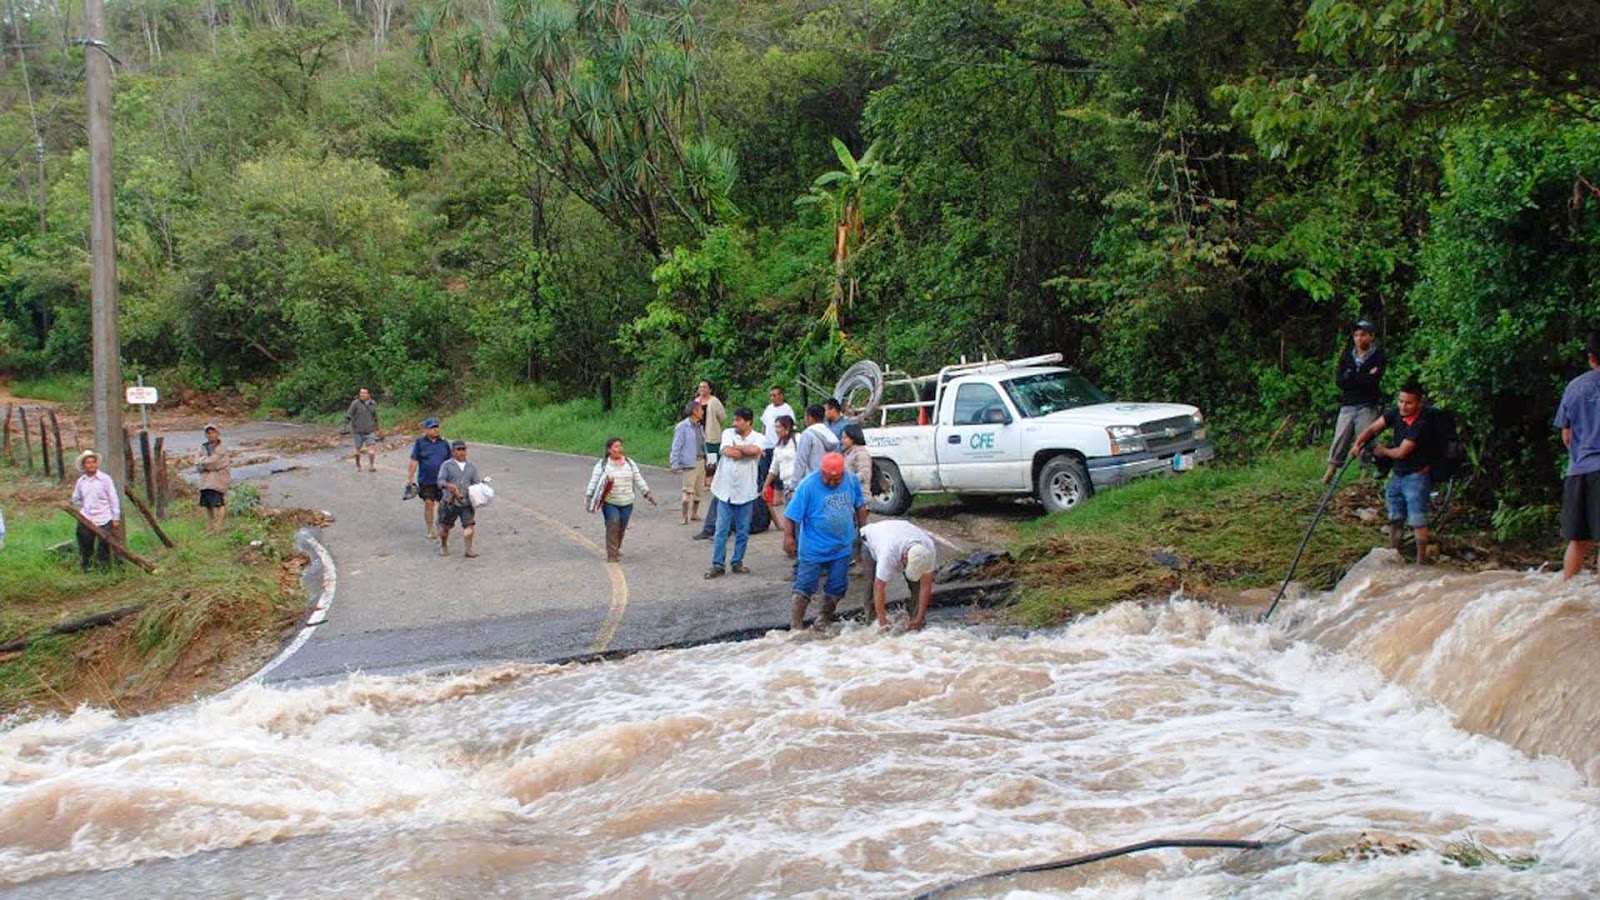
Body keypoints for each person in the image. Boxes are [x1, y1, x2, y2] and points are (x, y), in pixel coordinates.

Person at [1350, 380, 1434, 564]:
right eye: (1401, 401)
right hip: (1398, 473)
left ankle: (1421, 562)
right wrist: (1358, 444)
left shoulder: (1420, 424)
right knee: (1395, 516)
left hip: (1416, 475)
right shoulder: (1396, 413)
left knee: (1417, 518)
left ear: (1418, 403)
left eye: (1409, 403)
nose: (1403, 406)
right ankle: (1395, 554)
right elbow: (1373, 428)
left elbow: (1402, 451)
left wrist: (1383, 451)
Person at [784, 452, 868, 629]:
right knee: (804, 588)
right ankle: (796, 625)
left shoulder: (851, 480)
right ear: (821, 472)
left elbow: (860, 505)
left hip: (841, 547)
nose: (832, 483)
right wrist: (789, 537)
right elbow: (791, 515)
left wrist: (864, 531)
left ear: (843, 474)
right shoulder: (808, 485)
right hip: (813, 548)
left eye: (836, 480)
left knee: (837, 587)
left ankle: (822, 619)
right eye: (828, 479)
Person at [1555, 330, 1600, 580]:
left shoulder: (1574, 387)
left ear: (1591, 356)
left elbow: (1567, 436)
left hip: (1578, 469)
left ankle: (1564, 595)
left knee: (1577, 540)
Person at [1325, 320, 1387, 484]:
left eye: (1363, 335)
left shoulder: (1378, 355)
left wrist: (1354, 376)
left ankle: (1364, 473)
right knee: (1341, 436)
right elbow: (1340, 381)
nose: (1359, 339)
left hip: (1368, 403)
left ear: (1371, 336)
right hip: (1348, 403)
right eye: (1357, 335)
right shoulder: (1347, 355)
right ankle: (1331, 470)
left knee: (1366, 437)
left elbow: (1374, 380)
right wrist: (1361, 376)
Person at [705, 407, 764, 578]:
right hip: (725, 490)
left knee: (743, 530)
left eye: (738, 420)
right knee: (721, 530)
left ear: (748, 422)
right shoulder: (728, 433)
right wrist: (745, 450)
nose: (734, 423)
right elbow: (727, 452)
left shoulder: (759, 437)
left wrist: (740, 448)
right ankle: (718, 564)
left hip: (746, 491)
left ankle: (737, 562)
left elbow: (755, 450)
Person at [587, 437, 657, 562]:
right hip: (610, 502)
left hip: (627, 501)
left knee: (621, 526)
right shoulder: (602, 465)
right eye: (616, 446)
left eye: (620, 446)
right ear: (609, 450)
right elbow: (594, 481)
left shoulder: (630, 463)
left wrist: (647, 493)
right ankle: (612, 554)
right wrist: (589, 496)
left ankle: (616, 548)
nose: (620, 449)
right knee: (613, 523)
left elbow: (638, 478)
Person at [859, 520, 937, 630]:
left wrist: (920, 617)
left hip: (901, 531)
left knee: (917, 584)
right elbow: (879, 588)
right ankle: (873, 621)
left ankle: (915, 621)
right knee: (871, 585)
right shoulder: (888, 553)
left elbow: (926, 586)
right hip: (870, 539)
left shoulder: (928, 550)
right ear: (904, 557)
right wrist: (883, 622)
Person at [70, 449, 120, 572]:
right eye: (88, 462)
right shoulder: (81, 481)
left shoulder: (105, 479)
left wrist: (116, 518)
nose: (91, 465)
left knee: (104, 548)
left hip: (104, 518)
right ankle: (86, 569)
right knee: (85, 546)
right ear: (84, 466)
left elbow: (113, 498)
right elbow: (76, 498)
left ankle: (104, 571)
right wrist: (86, 505)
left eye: (93, 462)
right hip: (86, 518)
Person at [437, 440, 483, 558]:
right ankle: (444, 545)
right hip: (449, 501)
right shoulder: (446, 465)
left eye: (463, 449)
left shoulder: (471, 467)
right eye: (459, 450)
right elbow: (440, 481)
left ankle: (468, 549)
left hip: (466, 502)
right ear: (453, 452)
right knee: (444, 527)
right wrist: (448, 486)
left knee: (469, 525)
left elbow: (476, 483)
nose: (462, 452)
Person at [408, 418, 452, 541]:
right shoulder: (420, 443)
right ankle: (430, 528)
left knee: (444, 504)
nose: (435, 430)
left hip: (443, 480)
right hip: (426, 480)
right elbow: (414, 460)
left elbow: (450, 462)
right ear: (426, 430)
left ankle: (441, 524)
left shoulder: (443, 443)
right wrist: (410, 478)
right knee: (429, 503)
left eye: (436, 427)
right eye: (432, 428)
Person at [840, 423, 874, 567]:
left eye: (844, 437)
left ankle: (862, 561)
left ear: (853, 438)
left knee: (859, 532)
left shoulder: (861, 453)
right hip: (849, 498)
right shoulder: (848, 453)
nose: (842, 440)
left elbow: (865, 474)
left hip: (861, 498)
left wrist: (845, 480)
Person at [669, 401, 708, 525]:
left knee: (699, 490)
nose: (702, 412)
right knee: (687, 490)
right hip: (690, 462)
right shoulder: (682, 426)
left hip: (701, 460)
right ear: (695, 411)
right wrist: (674, 463)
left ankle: (694, 513)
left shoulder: (699, 426)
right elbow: (676, 446)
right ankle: (684, 515)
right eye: (701, 410)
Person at [790, 403, 839, 488]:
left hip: (813, 481)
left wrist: (794, 484)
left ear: (810, 417)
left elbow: (801, 460)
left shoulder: (808, 434)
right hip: (830, 480)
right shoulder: (830, 434)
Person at [196, 424, 231, 533]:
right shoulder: (202, 447)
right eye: (208, 433)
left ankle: (219, 527)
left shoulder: (222, 448)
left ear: (217, 434)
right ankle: (210, 527)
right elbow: (196, 462)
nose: (210, 435)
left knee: (219, 504)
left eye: (213, 432)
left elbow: (215, 463)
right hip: (205, 481)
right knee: (207, 505)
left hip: (218, 480)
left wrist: (203, 462)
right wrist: (203, 462)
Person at [764, 414, 798, 526]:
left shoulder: (798, 439)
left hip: (799, 485)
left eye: (779, 427)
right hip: (787, 486)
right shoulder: (778, 446)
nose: (776, 430)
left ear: (787, 428)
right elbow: (774, 469)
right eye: (775, 427)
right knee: (790, 518)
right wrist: (766, 485)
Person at [760, 384, 795, 469]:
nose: (772, 398)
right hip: (767, 446)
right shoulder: (768, 408)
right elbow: (764, 426)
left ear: (781, 396)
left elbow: (791, 427)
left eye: (774, 395)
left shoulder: (787, 409)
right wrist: (761, 442)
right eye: (771, 396)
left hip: (780, 446)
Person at [347, 387, 381, 473]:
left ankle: (371, 465)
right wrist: (345, 425)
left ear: (369, 394)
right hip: (358, 430)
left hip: (370, 430)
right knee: (358, 450)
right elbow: (349, 415)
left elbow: (375, 417)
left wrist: (377, 429)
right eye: (361, 393)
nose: (362, 394)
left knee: (371, 450)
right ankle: (358, 465)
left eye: (364, 393)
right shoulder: (355, 403)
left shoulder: (373, 404)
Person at [696, 380, 727, 467]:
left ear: (710, 390)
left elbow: (722, 417)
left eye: (704, 387)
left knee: (712, 462)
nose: (702, 389)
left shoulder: (714, 401)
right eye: (700, 387)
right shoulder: (696, 402)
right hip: (699, 434)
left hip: (712, 436)